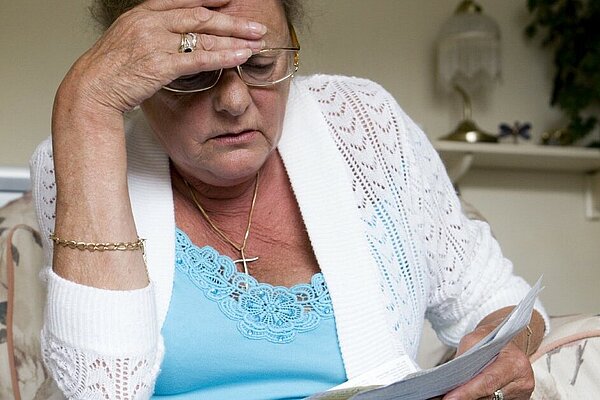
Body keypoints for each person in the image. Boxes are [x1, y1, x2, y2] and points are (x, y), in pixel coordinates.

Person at [30, 0, 547, 399]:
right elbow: (99, 389)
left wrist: (500, 356)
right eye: (191, 73)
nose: (234, 101)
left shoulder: (365, 123)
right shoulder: (82, 156)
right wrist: (87, 101)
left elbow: (497, 297)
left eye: (259, 63)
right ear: (136, 76)